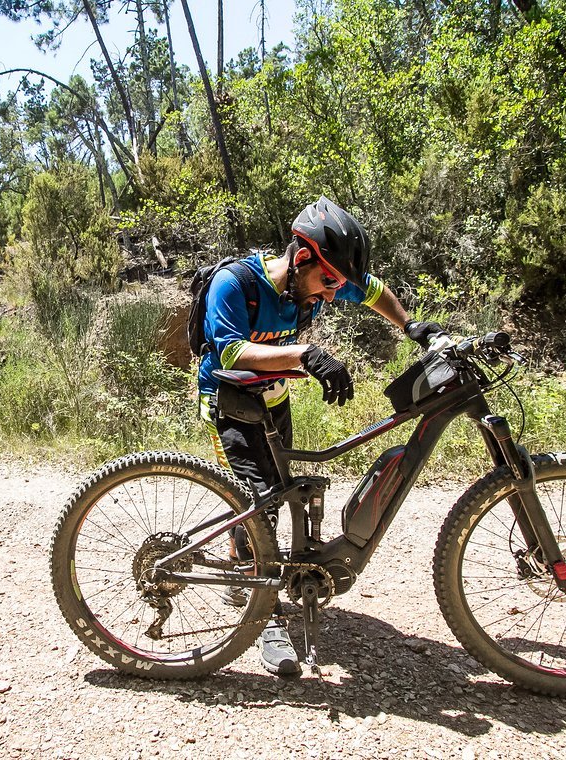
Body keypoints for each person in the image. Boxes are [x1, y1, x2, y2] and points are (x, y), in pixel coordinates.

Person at [197, 196, 444, 676]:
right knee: (263, 502)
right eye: (328, 280)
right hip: (228, 403)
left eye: (336, 284)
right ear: (301, 257)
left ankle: (243, 549)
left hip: (271, 401)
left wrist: (410, 325)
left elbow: (370, 290)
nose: (332, 293)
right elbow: (226, 354)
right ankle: (264, 616)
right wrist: (304, 354)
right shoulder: (236, 284)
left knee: (278, 493)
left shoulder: (312, 284)